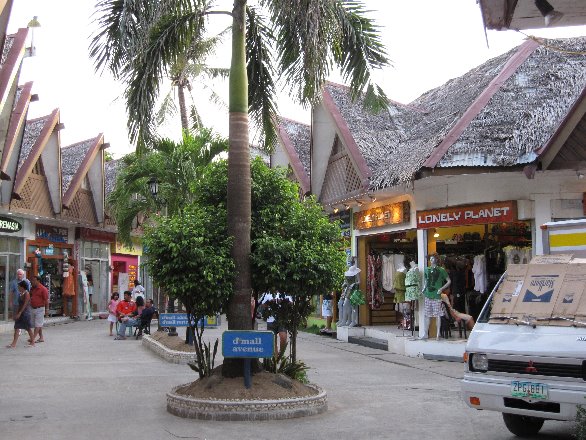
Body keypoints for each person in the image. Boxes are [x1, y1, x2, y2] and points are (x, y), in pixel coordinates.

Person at [421, 254, 451, 340]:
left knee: (438, 315)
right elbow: (426, 281)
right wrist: (423, 289)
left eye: (433, 258)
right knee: (427, 315)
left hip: (436, 295)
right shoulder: (427, 269)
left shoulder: (441, 270)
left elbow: (449, 281)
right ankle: (426, 334)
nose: (431, 260)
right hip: (428, 294)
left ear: (436, 260)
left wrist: (441, 289)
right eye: (430, 258)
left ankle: (438, 334)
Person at [6, 280, 35, 348]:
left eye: (19, 286)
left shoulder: (26, 293)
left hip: (25, 313)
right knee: (16, 327)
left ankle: (33, 342)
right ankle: (14, 343)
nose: (18, 287)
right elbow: (19, 304)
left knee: (28, 328)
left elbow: (25, 304)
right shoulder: (20, 293)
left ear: (22, 287)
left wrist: (19, 313)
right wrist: (16, 312)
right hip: (20, 312)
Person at [30, 275, 49, 343]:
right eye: (32, 280)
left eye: (34, 280)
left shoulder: (43, 289)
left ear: (38, 281)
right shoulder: (32, 288)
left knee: (37, 324)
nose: (32, 282)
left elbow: (46, 300)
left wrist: (47, 310)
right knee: (37, 324)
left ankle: (33, 338)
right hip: (33, 308)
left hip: (40, 308)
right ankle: (41, 337)